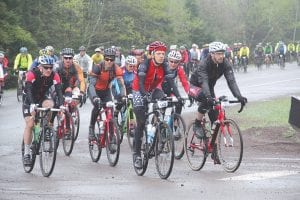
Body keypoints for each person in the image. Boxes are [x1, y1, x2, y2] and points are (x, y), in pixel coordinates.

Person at [189, 41, 247, 164]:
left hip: (208, 88)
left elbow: (231, 81)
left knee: (215, 118)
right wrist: (210, 97)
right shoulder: (204, 64)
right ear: (212, 54)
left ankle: (214, 149)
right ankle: (197, 123)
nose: (221, 56)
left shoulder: (225, 63)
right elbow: (203, 82)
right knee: (206, 99)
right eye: (218, 54)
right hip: (196, 86)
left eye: (223, 53)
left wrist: (239, 96)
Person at [131, 41, 182, 169]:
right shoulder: (144, 64)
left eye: (163, 54)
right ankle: (137, 154)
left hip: (153, 90)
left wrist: (179, 96)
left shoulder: (164, 65)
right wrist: (144, 95)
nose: (161, 56)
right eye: (158, 53)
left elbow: (171, 82)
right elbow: (141, 83)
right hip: (139, 90)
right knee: (141, 121)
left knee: (166, 101)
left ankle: (160, 129)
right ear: (152, 54)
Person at [22, 55, 64, 165]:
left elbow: (59, 91)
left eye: (50, 67)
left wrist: (62, 106)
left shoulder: (54, 75)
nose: (49, 70)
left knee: (50, 104)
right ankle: (27, 153)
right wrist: (32, 104)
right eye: (46, 67)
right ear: (40, 67)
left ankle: (46, 125)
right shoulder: (32, 74)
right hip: (29, 100)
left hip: (42, 98)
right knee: (30, 124)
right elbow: (29, 90)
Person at [88, 48, 126, 141]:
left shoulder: (116, 68)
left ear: (114, 60)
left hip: (105, 91)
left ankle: (112, 135)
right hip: (94, 91)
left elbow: (120, 84)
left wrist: (123, 96)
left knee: (110, 111)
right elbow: (91, 85)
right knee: (97, 106)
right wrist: (95, 97)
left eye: (111, 60)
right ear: (104, 58)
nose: (109, 61)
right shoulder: (97, 67)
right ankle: (91, 128)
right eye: (107, 59)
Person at [161, 50, 189, 135]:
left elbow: (184, 82)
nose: (173, 64)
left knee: (179, 102)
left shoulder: (179, 69)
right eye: (171, 61)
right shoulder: (162, 67)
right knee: (162, 108)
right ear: (168, 60)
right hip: (159, 89)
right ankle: (158, 126)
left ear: (179, 62)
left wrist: (189, 94)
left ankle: (176, 123)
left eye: (176, 62)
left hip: (171, 89)